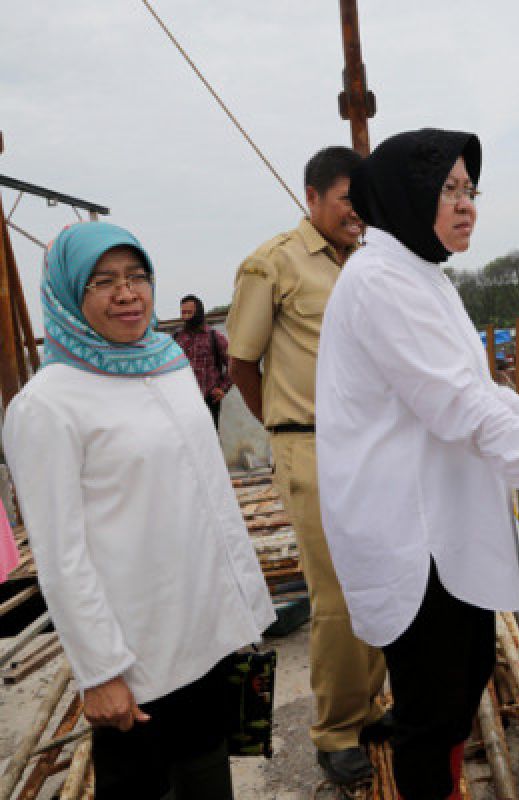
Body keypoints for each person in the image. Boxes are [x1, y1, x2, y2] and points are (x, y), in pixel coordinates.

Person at [315, 129, 519, 799]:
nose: (466, 205)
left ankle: (444, 780)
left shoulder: (421, 275)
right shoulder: (381, 279)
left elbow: (478, 391)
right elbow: (464, 410)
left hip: (443, 522)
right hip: (411, 528)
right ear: (409, 196)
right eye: (449, 190)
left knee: (462, 682)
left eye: (470, 190)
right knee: (432, 709)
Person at [1, 222, 275, 799]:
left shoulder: (168, 364)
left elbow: (212, 498)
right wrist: (100, 673)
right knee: (141, 785)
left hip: (210, 626)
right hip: (138, 651)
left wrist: (246, 606)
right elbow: (60, 557)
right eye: (103, 282)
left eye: (137, 277)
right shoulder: (47, 405)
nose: (127, 293)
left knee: (211, 772)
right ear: (68, 295)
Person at [225, 145, 387, 787]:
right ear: (312, 197)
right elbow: (242, 363)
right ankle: (336, 731)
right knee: (337, 595)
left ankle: (370, 706)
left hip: (373, 446)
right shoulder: (273, 263)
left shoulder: (371, 262)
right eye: (348, 197)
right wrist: (284, 428)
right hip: (311, 445)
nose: (358, 210)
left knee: (379, 579)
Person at [174, 294, 232, 429]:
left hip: (209, 399)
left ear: (198, 313)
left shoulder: (214, 336)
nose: (186, 316)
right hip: (184, 400)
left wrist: (223, 388)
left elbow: (233, 364)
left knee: (209, 440)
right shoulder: (177, 337)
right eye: (183, 312)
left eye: (190, 312)